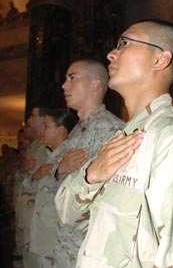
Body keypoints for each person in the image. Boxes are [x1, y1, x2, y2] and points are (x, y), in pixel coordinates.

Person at [55, 18, 173, 268]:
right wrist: (91, 175)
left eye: (125, 43)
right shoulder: (123, 137)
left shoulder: (170, 138)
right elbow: (67, 214)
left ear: (160, 60)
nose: (112, 54)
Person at [52, 58, 144, 268]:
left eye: (72, 78)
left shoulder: (113, 130)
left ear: (95, 84)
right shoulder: (78, 128)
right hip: (63, 242)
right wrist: (59, 171)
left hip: (86, 250)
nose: (64, 85)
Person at [23, 108, 78, 268]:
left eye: (46, 126)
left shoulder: (69, 156)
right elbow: (30, 186)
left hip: (56, 237)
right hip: (43, 233)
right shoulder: (50, 154)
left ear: (61, 129)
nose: (42, 130)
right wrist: (35, 175)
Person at [14, 106, 49, 268]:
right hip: (28, 211)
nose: (28, 121)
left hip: (37, 215)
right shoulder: (36, 146)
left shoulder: (47, 147)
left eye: (32, 117)